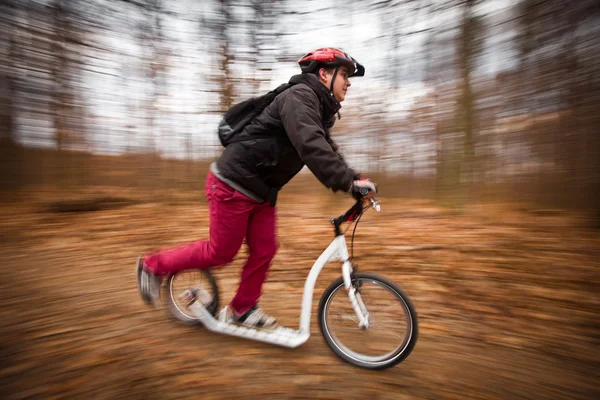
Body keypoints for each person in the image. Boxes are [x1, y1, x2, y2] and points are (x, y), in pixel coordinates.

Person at [137, 47, 377, 329]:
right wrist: (347, 183)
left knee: (265, 249)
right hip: (232, 183)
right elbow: (310, 144)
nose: (348, 82)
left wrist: (355, 179)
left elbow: (327, 149)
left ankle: (243, 308)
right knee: (221, 253)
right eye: (345, 74)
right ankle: (152, 265)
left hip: (261, 191)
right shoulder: (299, 98)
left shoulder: (317, 109)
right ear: (324, 74)